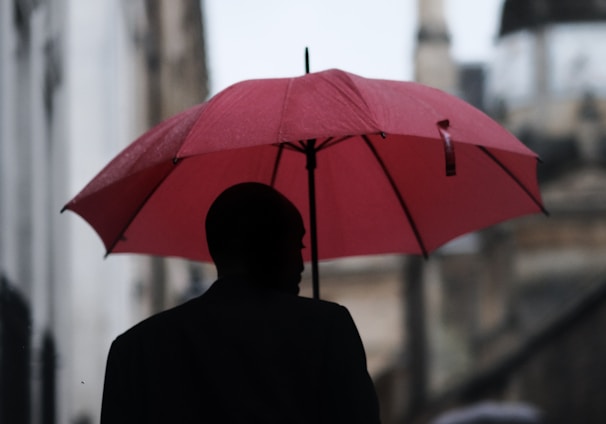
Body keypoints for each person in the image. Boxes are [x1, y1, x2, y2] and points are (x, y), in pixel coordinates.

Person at [100, 182, 381, 423]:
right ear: (271, 247)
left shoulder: (135, 350)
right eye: (297, 245)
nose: (301, 264)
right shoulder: (327, 330)